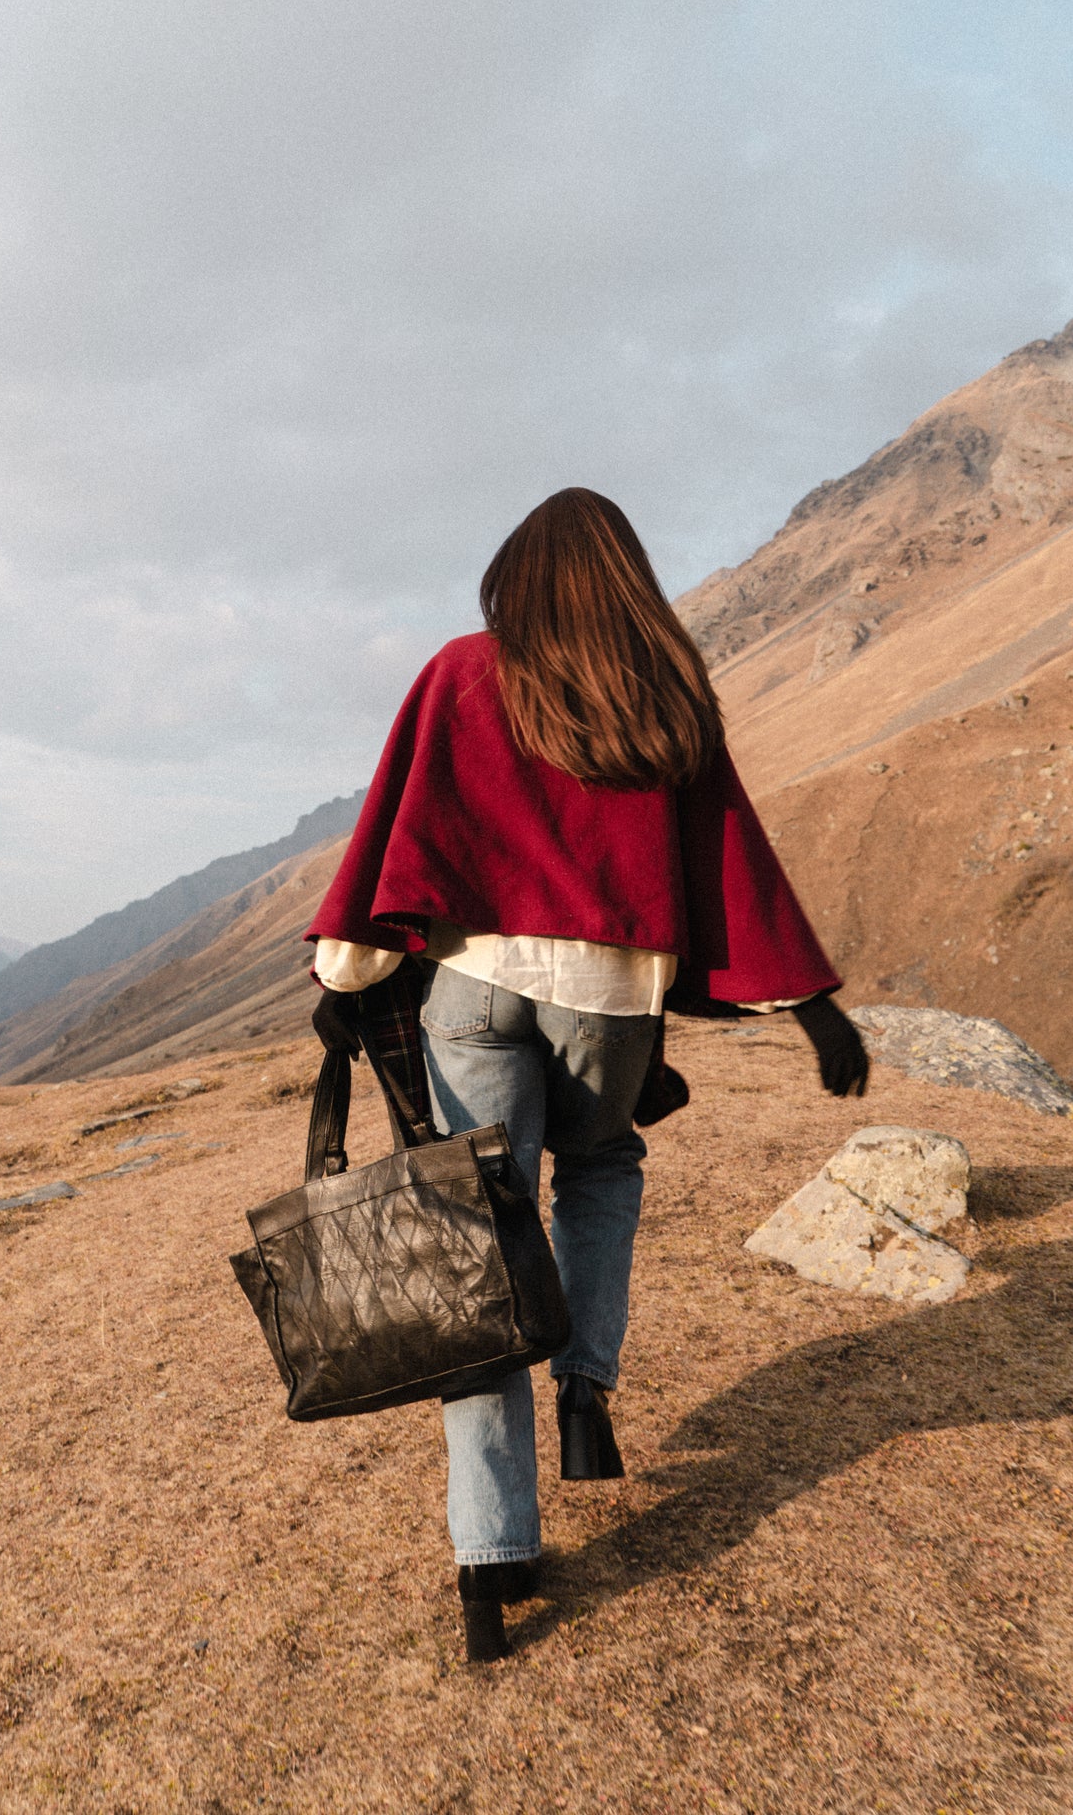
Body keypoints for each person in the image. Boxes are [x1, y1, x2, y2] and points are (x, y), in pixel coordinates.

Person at [306, 488, 868, 1663]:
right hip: (610, 998)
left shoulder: (465, 672)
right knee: (600, 1162)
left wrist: (345, 970)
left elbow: (404, 826)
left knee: (478, 1243)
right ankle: (585, 1385)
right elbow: (730, 846)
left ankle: (488, 1555)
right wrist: (806, 1002)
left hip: (472, 988)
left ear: (519, 573)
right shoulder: (659, 689)